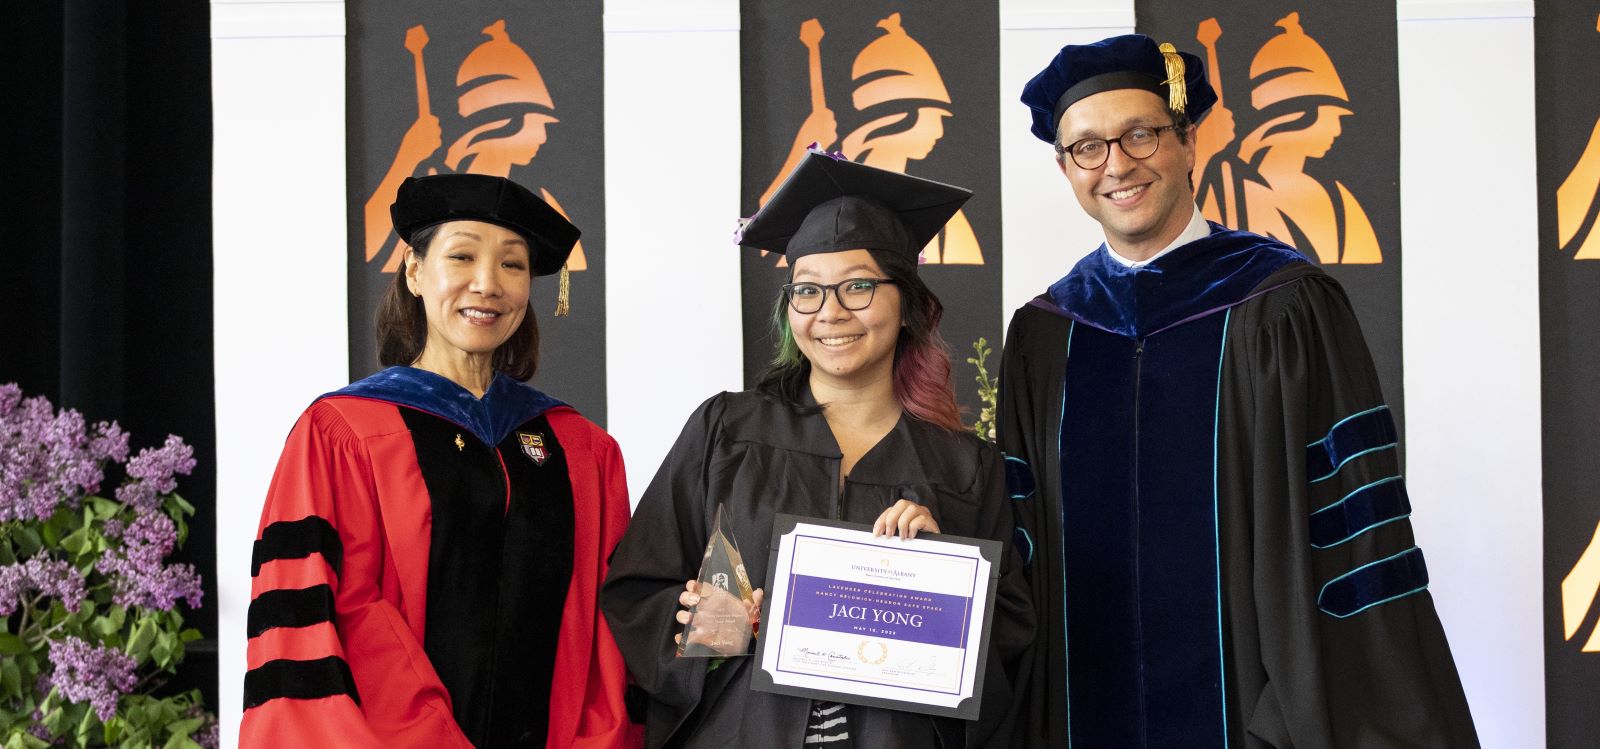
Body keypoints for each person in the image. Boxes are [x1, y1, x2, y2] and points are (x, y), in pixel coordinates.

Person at [1002, 35, 1477, 747]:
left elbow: (1352, 535)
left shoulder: (1284, 304)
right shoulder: (1045, 336)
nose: (1118, 165)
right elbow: (1019, 543)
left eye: (1140, 134)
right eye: (1088, 148)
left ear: (1189, 142)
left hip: (1253, 718)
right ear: (1066, 167)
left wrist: (1288, 715)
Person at [601, 151, 1032, 748]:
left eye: (858, 286)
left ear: (905, 302)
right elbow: (635, 592)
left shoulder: (963, 467)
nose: (830, 313)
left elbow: (1009, 642)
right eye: (807, 291)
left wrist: (937, 576)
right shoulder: (726, 432)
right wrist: (705, 628)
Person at [242, 174, 636, 748]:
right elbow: (328, 619)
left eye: (512, 264)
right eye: (462, 256)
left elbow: (607, 636)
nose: (487, 284)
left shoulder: (582, 450)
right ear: (414, 270)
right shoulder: (343, 434)